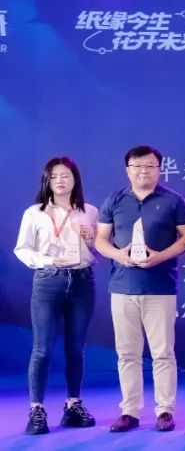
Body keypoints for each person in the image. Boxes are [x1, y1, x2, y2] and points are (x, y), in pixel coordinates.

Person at [95, 145, 185, 432]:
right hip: (122, 287)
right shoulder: (115, 199)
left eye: (150, 166)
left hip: (160, 287)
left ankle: (165, 411)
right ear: (127, 170)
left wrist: (161, 256)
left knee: (163, 353)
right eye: (137, 166)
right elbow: (100, 240)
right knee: (127, 353)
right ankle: (129, 411)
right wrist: (118, 255)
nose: (143, 171)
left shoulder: (173, 200)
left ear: (159, 169)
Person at [15, 157, 99, 435]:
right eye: (54, 176)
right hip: (48, 281)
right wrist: (48, 261)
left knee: (76, 348)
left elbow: (100, 249)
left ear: (75, 179)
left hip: (82, 281)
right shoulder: (34, 213)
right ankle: (36, 409)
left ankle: (73, 405)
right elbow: (22, 249)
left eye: (65, 175)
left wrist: (91, 237)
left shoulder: (90, 211)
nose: (60, 180)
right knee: (42, 348)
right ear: (46, 181)